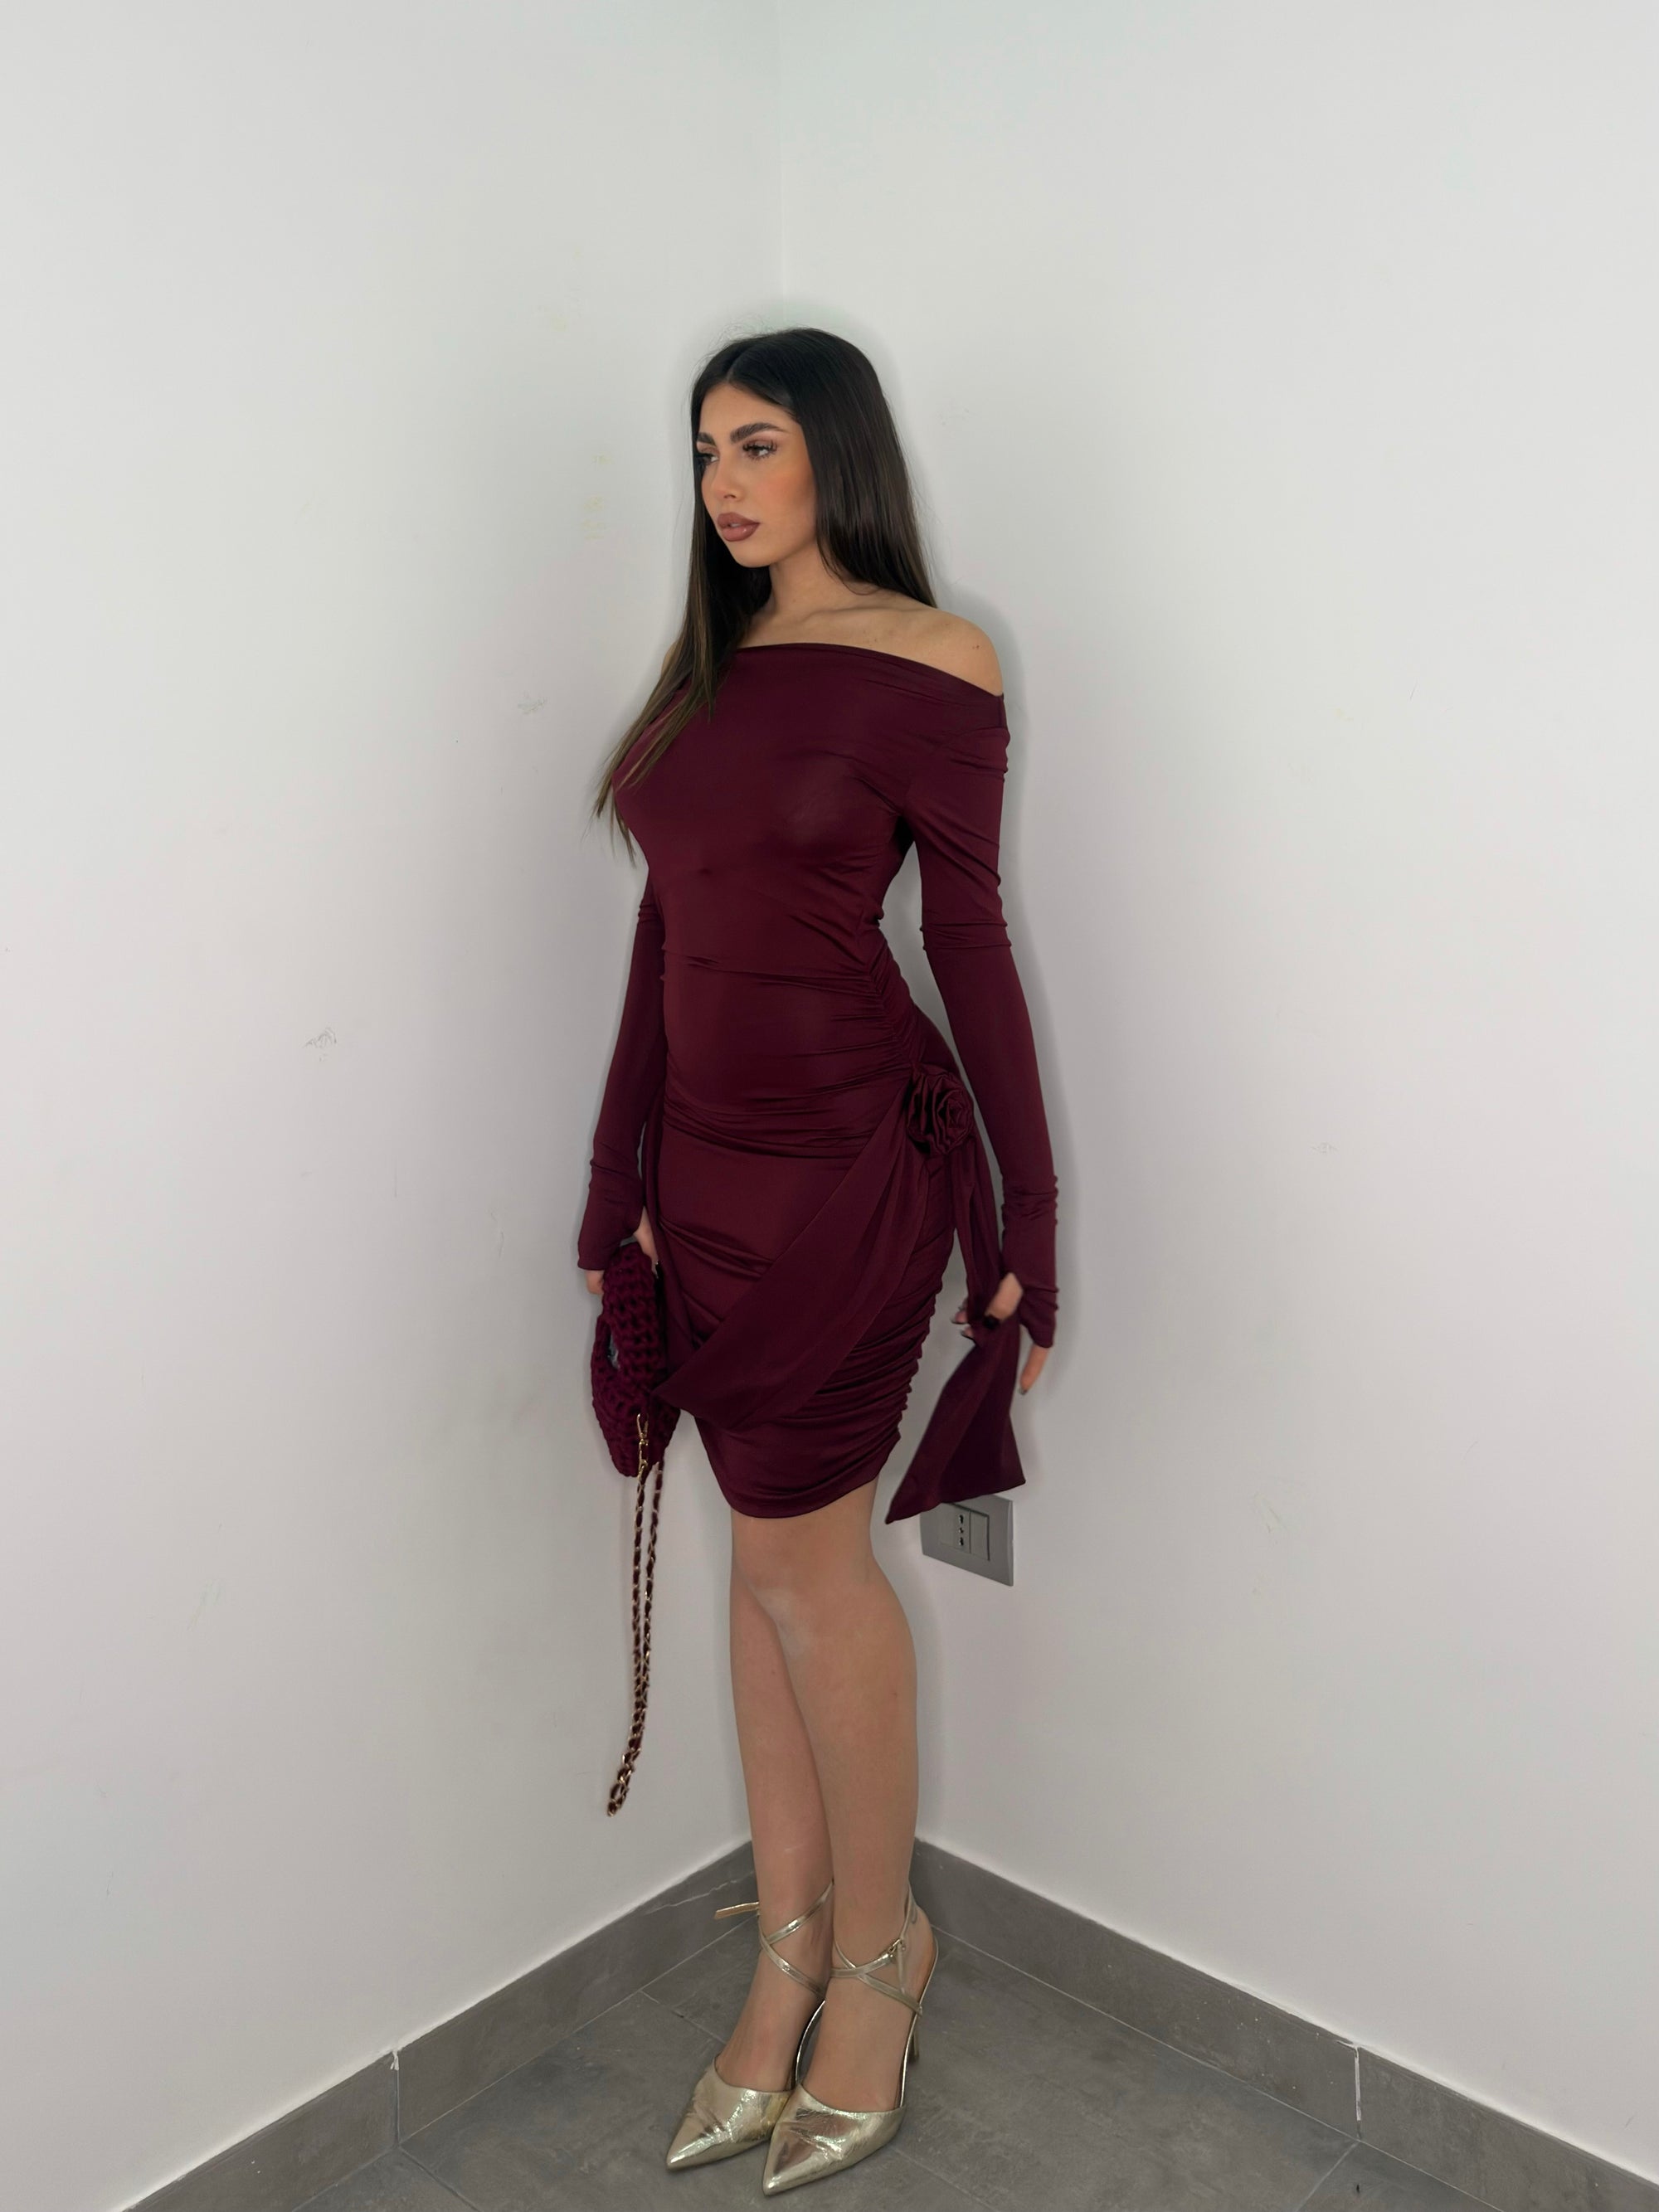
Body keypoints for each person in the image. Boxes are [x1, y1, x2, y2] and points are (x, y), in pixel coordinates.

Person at [577, 326, 1059, 2194]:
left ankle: (879, 1961)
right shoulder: (708, 669)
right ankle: (787, 1948)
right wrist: (617, 1176)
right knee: (765, 1554)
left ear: (836, 452)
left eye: (758, 443)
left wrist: (1031, 1216)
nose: (722, 482)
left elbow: (974, 945)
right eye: (703, 449)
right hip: (701, 1174)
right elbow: (666, 936)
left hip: (853, 1169)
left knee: (802, 1560)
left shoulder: (938, 658)